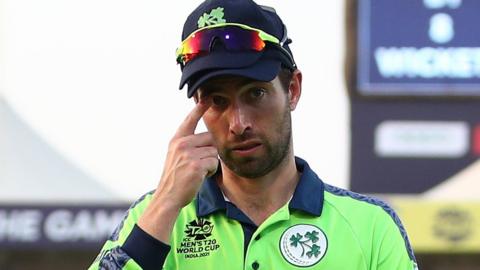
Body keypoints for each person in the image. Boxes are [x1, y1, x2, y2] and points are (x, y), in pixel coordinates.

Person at [89, 0, 418, 269]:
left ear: (293, 89)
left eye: (255, 94)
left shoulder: (371, 227)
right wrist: (167, 203)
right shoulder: (155, 215)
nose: (238, 122)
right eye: (218, 101)